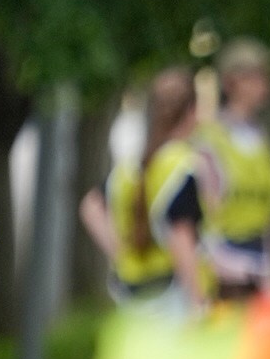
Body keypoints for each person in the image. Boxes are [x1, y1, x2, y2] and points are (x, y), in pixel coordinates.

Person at [83, 67, 212, 310]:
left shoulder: (130, 166)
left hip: (130, 292)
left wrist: (121, 252)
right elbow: (180, 235)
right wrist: (197, 301)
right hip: (170, 293)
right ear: (191, 110)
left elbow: (91, 206)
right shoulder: (182, 165)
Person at [199, 38, 270, 299]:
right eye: (256, 75)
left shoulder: (260, 138)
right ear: (232, 82)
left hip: (258, 263)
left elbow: (267, 215)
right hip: (224, 272)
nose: (266, 83)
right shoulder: (210, 139)